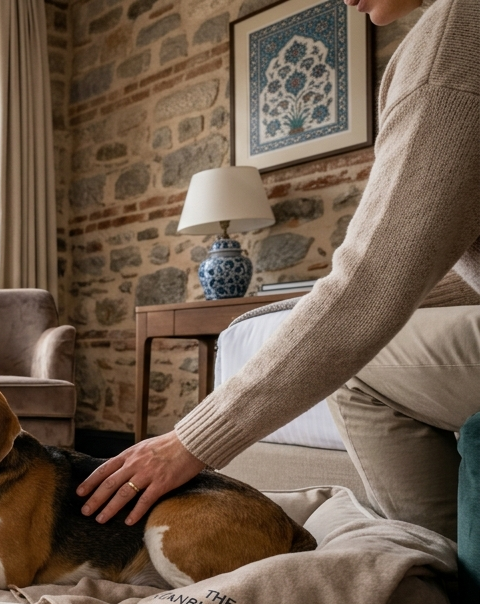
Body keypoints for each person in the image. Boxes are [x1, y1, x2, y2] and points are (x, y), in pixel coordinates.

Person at [77, 0, 480, 540]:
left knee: (357, 363)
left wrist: (190, 441)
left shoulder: (453, 38)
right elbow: (429, 275)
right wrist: (295, 311)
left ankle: (445, 587)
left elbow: (374, 280)